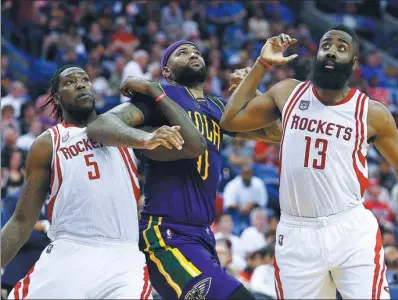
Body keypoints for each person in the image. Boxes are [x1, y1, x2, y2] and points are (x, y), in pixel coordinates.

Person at [87, 40, 281, 299]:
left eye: (196, 52)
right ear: (166, 71)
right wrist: (143, 138)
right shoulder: (160, 97)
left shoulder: (218, 107)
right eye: (181, 53)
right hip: (166, 233)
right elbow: (101, 124)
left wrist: (253, 92)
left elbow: (276, 132)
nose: (191, 54)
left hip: (202, 235)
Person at [220, 24, 398, 299]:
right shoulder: (288, 92)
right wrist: (262, 64)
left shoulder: (372, 113)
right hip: (296, 235)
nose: (331, 52)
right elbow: (230, 120)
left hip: (349, 230)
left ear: (353, 62)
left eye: (341, 48)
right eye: (326, 45)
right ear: (316, 55)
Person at [0, 65, 190, 299]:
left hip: (123, 259)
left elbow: (194, 142)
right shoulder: (48, 143)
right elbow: (21, 221)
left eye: (85, 79)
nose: (80, 84)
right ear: (57, 99)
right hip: (68, 253)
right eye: (69, 82)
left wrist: (155, 92)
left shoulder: (126, 128)